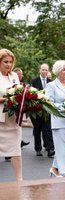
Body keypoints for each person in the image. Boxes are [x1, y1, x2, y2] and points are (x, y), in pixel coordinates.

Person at [45, 60, 65, 177]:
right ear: (58, 71)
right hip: (59, 120)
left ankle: (55, 168)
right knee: (64, 147)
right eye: (64, 69)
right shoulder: (51, 85)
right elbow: (48, 103)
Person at [0, 48, 23, 181]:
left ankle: (20, 180)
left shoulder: (14, 76)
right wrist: (7, 99)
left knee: (16, 150)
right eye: (5, 62)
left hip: (13, 119)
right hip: (0, 119)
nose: (8, 64)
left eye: (10, 62)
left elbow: (19, 93)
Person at [30, 63, 54, 157]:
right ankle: (38, 149)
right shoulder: (34, 81)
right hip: (37, 109)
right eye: (43, 69)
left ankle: (50, 149)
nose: (44, 71)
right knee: (37, 129)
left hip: (47, 110)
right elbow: (31, 94)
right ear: (39, 70)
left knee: (47, 129)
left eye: (46, 70)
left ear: (48, 71)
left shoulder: (50, 82)